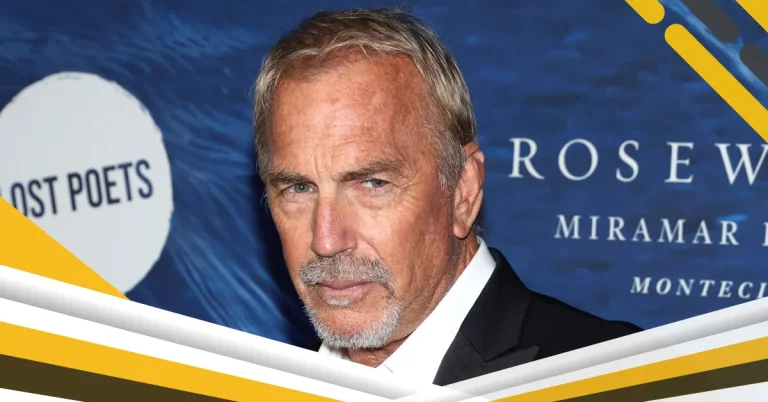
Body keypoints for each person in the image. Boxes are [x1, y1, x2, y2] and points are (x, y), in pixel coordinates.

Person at [252, 7, 641, 386]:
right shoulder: (258, 389)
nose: (326, 240)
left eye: (372, 183)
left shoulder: (618, 381)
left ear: (463, 191)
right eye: (298, 188)